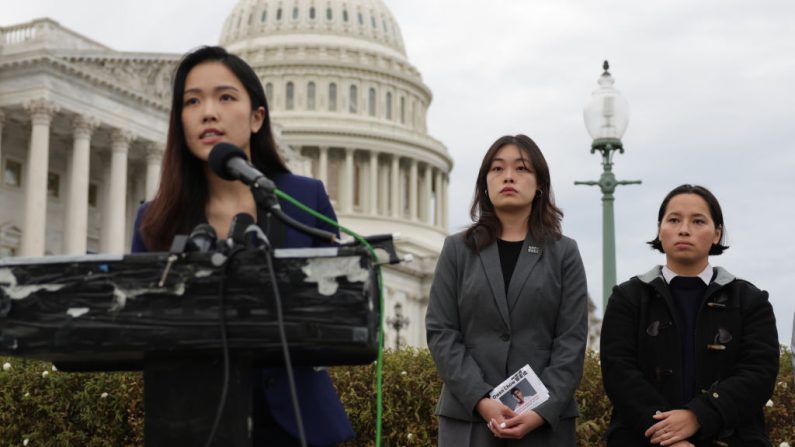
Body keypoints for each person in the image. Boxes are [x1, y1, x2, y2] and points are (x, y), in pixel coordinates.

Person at [131, 46, 353, 446]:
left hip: (297, 428)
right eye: (192, 101)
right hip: (193, 426)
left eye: (225, 97)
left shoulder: (304, 200)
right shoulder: (154, 221)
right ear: (179, 120)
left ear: (256, 118)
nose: (208, 112)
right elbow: (138, 330)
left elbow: (339, 312)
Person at [426, 134, 588, 446]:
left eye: (522, 169)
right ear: (484, 183)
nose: (509, 176)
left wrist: (540, 409)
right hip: (469, 417)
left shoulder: (564, 252)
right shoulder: (457, 250)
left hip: (544, 422)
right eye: (497, 169)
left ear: (539, 183)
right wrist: (482, 400)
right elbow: (441, 331)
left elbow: (572, 339)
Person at [600, 184, 779, 447]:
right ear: (660, 230)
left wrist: (699, 415)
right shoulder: (628, 298)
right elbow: (619, 372)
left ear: (717, 234)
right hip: (642, 437)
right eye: (673, 220)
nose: (684, 229)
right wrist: (666, 434)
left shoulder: (750, 300)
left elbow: (759, 373)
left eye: (698, 221)